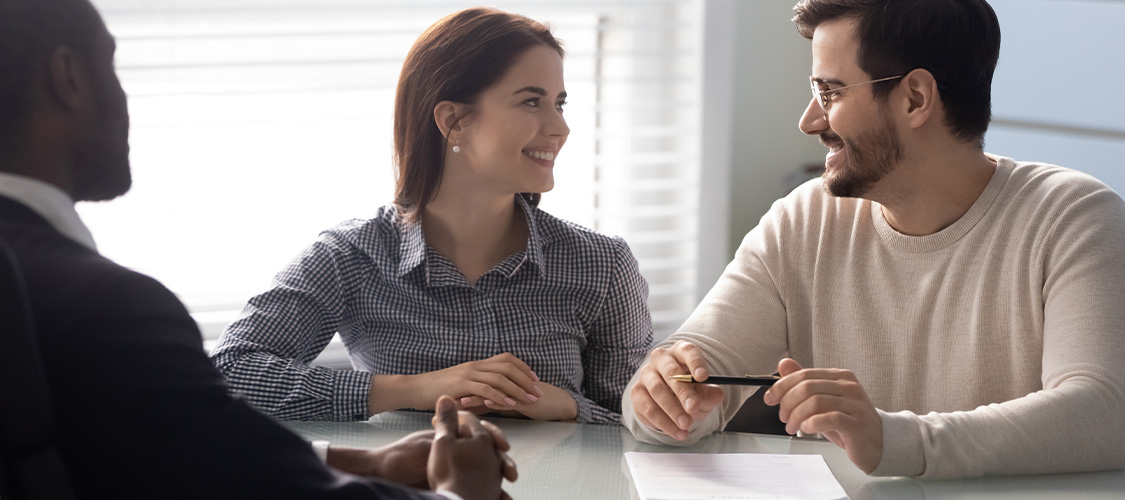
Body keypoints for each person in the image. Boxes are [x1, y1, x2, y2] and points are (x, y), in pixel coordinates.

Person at [0, 0, 515, 498]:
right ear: (67, 77)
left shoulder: (32, 283)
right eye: (111, 67)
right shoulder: (105, 308)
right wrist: (459, 493)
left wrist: (365, 460)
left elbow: (175, 450)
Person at [622, 0, 1125, 479]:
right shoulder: (804, 220)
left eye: (831, 93)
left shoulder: (1072, 218)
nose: (809, 121)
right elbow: (693, 369)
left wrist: (895, 440)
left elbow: (1105, 412)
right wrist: (661, 402)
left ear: (915, 99)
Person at [211, 7, 653, 424]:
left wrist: (567, 407)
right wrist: (415, 390)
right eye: (531, 102)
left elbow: (643, 427)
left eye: (560, 103)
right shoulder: (350, 257)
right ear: (453, 120)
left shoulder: (603, 265)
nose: (560, 128)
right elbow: (227, 375)